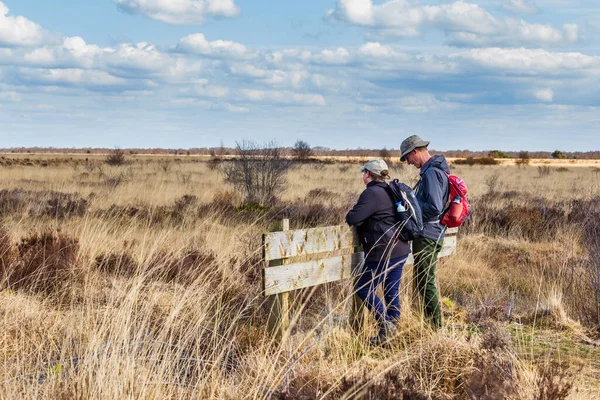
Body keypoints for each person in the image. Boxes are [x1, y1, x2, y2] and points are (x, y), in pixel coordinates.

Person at [346, 159, 411, 344]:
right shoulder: (390, 190)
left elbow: (353, 218)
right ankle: (393, 332)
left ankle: (386, 326)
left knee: (364, 289)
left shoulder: (371, 193)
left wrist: (352, 215)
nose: (362, 175)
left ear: (368, 174)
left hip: (383, 252)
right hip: (400, 248)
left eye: (363, 172)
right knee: (391, 291)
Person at [400, 135, 450, 330]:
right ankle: (430, 324)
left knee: (425, 282)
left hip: (428, 234)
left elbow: (434, 207)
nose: (409, 163)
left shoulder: (431, 174)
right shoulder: (432, 171)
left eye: (408, 157)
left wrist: (411, 205)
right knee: (424, 280)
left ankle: (436, 327)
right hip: (431, 233)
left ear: (415, 151)